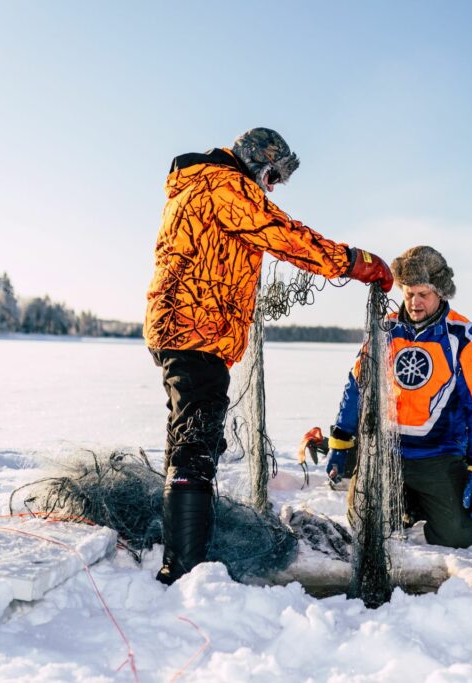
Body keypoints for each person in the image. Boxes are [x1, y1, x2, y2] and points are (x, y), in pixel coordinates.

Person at [145, 127, 393, 584]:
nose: (272, 187)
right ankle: (181, 571)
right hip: (195, 330)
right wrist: (351, 261)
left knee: (190, 440)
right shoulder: (225, 185)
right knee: (195, 447)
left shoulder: (200, 183)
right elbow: (283, 234)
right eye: (273, 175)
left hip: (185, 329)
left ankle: (181, 554)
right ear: (257, 161)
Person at [323, 245, 472, 548]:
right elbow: (357, 385)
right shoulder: (385, 329)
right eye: (408, 294)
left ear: (440, 293)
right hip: (386, 452)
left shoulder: (465, 337)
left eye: (423, 295)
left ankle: (420, 499)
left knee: (458, 535)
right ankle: (403, 500)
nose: (414, 303)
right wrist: (341, 439)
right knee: (365, 524)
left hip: (438, 455)